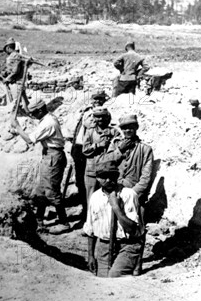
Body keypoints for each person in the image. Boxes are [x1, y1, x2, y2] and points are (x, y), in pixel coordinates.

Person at [10, 99, 72, 235]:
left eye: (33, 113)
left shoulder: (48, 123)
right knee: (41, 189)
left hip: (53, 157)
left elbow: (29, 140)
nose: (32, 116)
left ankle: (64, 222)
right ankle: (39, 220)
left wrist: (18, 128)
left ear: (40, 110)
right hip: (49, 155)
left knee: (51, 191)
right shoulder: (46, 119)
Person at [103, 114, 154, 275]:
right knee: (115, 225)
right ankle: (117, 258)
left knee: (139, 227)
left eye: (131, 127)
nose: (127, 130)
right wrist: (119, 150)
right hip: (116, 191)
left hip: (136, 193)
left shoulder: (145, 149)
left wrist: (133, 194)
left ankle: (138, 264)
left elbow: (146, 177)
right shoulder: (116, 144)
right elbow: (105, 163)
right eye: (124, 128)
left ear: (136, 128)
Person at [84, 160, 143, 278]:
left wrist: (116, 207)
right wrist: (90, 256)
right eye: (103, 177)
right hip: (104, 246)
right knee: (102, 280)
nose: (108, 180)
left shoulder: (129, 194)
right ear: (97, 178)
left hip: (127, 245)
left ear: (117, 177)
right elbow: (90, 229)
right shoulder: (95, 197)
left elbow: (133, 229)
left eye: (112, 177)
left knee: (114, 277)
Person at [70, 90, 110, 219]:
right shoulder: (86, 111)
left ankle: (90, 211)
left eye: (100, 99)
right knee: (80, 181)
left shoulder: (98, 114)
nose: (97, 101)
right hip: (79, 146)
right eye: (95, 99)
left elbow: (90, 124)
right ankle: (85, 209)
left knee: (89, 181)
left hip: (89, 149)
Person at [82, 107, 120, 209]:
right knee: (91, 198)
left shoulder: (114, 132)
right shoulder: (90, 132)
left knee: (109, 198)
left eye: (103, 117)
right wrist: (98, 145)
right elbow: (85, 150)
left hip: (108, 171)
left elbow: (118, 149)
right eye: (98, 117)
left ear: (108, 118)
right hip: (92, 170)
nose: (101, 119)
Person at [3, 37, 32, 115]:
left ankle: (18, 115)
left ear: (8, 48)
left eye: (5, 49)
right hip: (20, 81)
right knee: (24, 99)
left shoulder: (14, 56)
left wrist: (7, 78)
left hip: (16, 82)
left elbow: (15, 70)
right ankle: (28, 112)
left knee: (16, 100)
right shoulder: (18, 55)